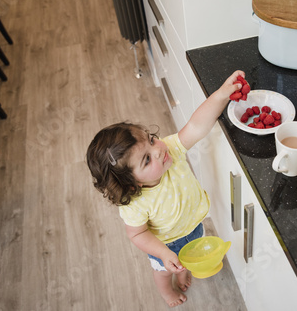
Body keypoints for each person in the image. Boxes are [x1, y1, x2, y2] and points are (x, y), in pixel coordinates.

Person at [86, 70, 245, 307]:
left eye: (151, 140)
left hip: (193, 226)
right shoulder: (135, 203)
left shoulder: (171, 149)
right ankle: (167, 292)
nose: (158, 149)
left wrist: (222, 94)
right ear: (133, 183)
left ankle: (183, 269)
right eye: (147, 160)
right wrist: (162, 254)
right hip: (166, 244)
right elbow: (138, 233)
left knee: (188, 260)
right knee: (164, 272)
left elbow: (196, 125)